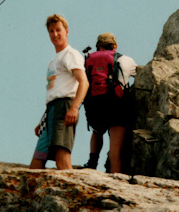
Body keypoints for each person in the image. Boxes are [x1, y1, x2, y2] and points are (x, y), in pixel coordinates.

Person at [30, 14, 88, 170]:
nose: (55, 34)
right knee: (38, 158)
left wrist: (74, 107)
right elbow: (55, 90)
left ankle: (72, 194)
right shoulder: (53, 61)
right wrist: (44, 118)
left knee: (61, 157)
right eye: (51, 31)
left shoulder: (71, 54)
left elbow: (84, 82)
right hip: (51, 110)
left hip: (64, 107)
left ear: (66, 31)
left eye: (58, 30)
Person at [82, 32, 137, 174]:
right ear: (115, 46)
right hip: (117, 107)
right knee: (115, 152)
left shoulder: (88, 60)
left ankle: (92, 162)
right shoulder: (124, 59)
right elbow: (139, 72)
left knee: (97, 131)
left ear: (98, 47)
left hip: (95, 106)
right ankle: (115, 178)